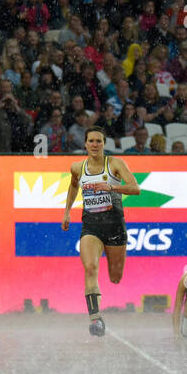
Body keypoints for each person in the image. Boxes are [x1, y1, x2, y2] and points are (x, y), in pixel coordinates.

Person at [61, 127, 141, 336]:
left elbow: (135, 188)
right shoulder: (77, 167)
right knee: (90, 267)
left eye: (99, 141)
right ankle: (95, 319)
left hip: (114, 224)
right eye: (91, 141)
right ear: (85, 144)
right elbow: (73, 186)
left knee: (115, 277)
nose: (95, 145)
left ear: (104, 144)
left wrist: (111, 188)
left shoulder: (115, 164)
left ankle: (106, 290)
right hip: (91, 225)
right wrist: (67, 212)